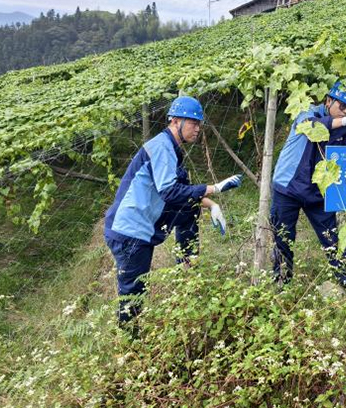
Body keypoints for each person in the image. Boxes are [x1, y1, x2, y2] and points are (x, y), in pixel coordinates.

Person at [103, 95, 242, 329]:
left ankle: (187, 268)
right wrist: (216, 188)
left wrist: (210, 205)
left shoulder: (170, 148)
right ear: (176, 121)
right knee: (133, 296)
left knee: (189, 207)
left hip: (137, 227)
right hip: (129, 231)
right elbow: (170, 191)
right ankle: (128, 346)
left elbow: (183, 193)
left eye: (199, 124)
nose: (198, 129)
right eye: (193, 123)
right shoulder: (162, 147)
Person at [270, 81, 346, 287]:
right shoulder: (307, 112)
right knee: (283, 240)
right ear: (328, 100)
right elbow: (311, 128)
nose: (345, 111)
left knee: (332, 240)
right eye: (341, 106)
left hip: (318, 192)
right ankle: (281, 286)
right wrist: (344, 121)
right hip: (288, 187)